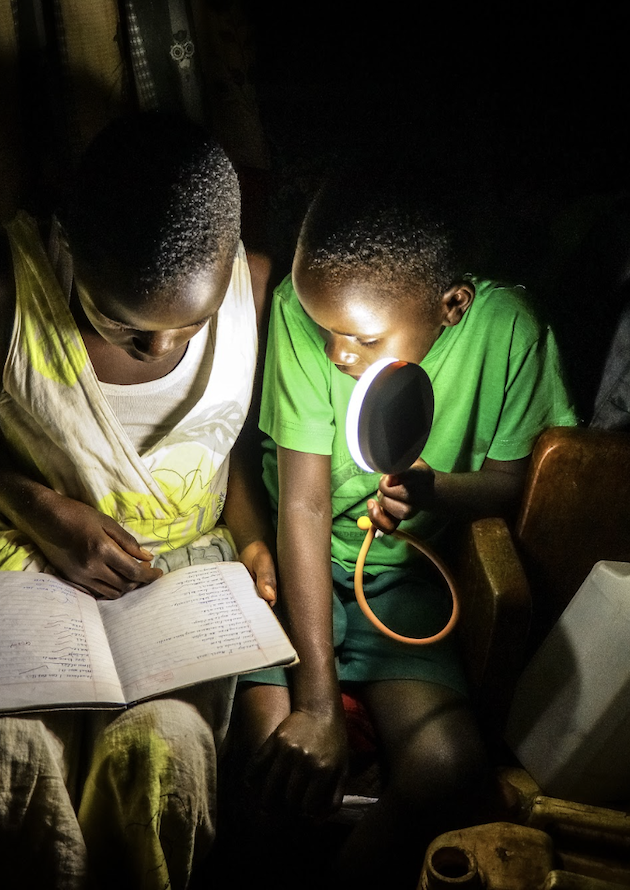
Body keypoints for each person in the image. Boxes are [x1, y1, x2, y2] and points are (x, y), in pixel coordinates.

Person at [0, 111, 276, 889]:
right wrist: (43, 511)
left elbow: (226, 444)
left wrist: (256, 540)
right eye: (121, 322)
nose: (159, 349)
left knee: (166, 755)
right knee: (2, 753)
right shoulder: (3, 288)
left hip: (179, 579)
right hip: (23, 545)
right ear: (68, 244)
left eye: (190, 328)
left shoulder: (256, 287)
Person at [223, 175, 577, 885]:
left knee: (449, 769)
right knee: (271, 757)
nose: (336, 353)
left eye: (359, 337)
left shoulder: (508, 332)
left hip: (405, 580)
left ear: (451, 307)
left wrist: (434, 491)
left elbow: (512, 482)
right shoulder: (302, 310)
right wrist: (318, 701)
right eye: (326, 331)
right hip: (292, 572)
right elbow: (303, 505)